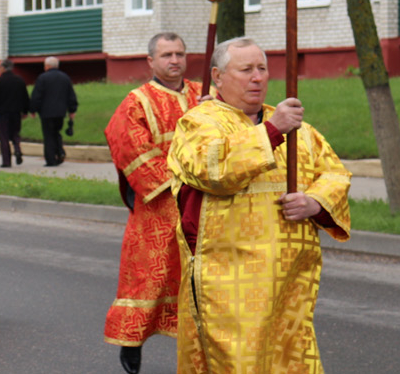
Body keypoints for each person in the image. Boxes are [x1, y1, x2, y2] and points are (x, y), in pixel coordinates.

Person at [169, 37, 351, 372]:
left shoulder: (298, 129)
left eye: (262, 69)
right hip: (228, 282)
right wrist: (271, 130)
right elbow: (212, 170)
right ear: (218, 77)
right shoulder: (199, 123)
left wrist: (314, 201)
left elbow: (335, 174)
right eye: (246, 69)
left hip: (290, 284)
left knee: (291, 361)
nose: (257, 77)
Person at [102, 33, 202, 374]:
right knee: (148, 278)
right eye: (166, 55)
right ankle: (132, 344)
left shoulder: (205, 95)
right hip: (159, 209)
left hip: (204, 206)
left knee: (199, 280)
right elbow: (129, 145)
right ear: (151, 62)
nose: (174, 60)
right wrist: (181, 181)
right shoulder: (137, 101)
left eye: (180, 53)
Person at [29, 56, 77, 166]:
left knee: (48, 135)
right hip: (60, 112)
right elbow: (71, 95)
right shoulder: (65, 78)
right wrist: (72, 110)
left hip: (46, 112)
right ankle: (59, 152)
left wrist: (33, 109)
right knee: (56, 132)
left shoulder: (42, 78)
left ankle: (51, 159)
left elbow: (37, 96)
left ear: (47, 66)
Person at [0, 58, 30, 168]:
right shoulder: (19, 80)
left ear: (3, 68)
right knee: (15, 133)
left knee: (4, 136)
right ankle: (17, 149)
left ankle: (6, 161)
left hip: (3, 114)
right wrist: (25, 111)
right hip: (16, 113)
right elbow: (25, 97)